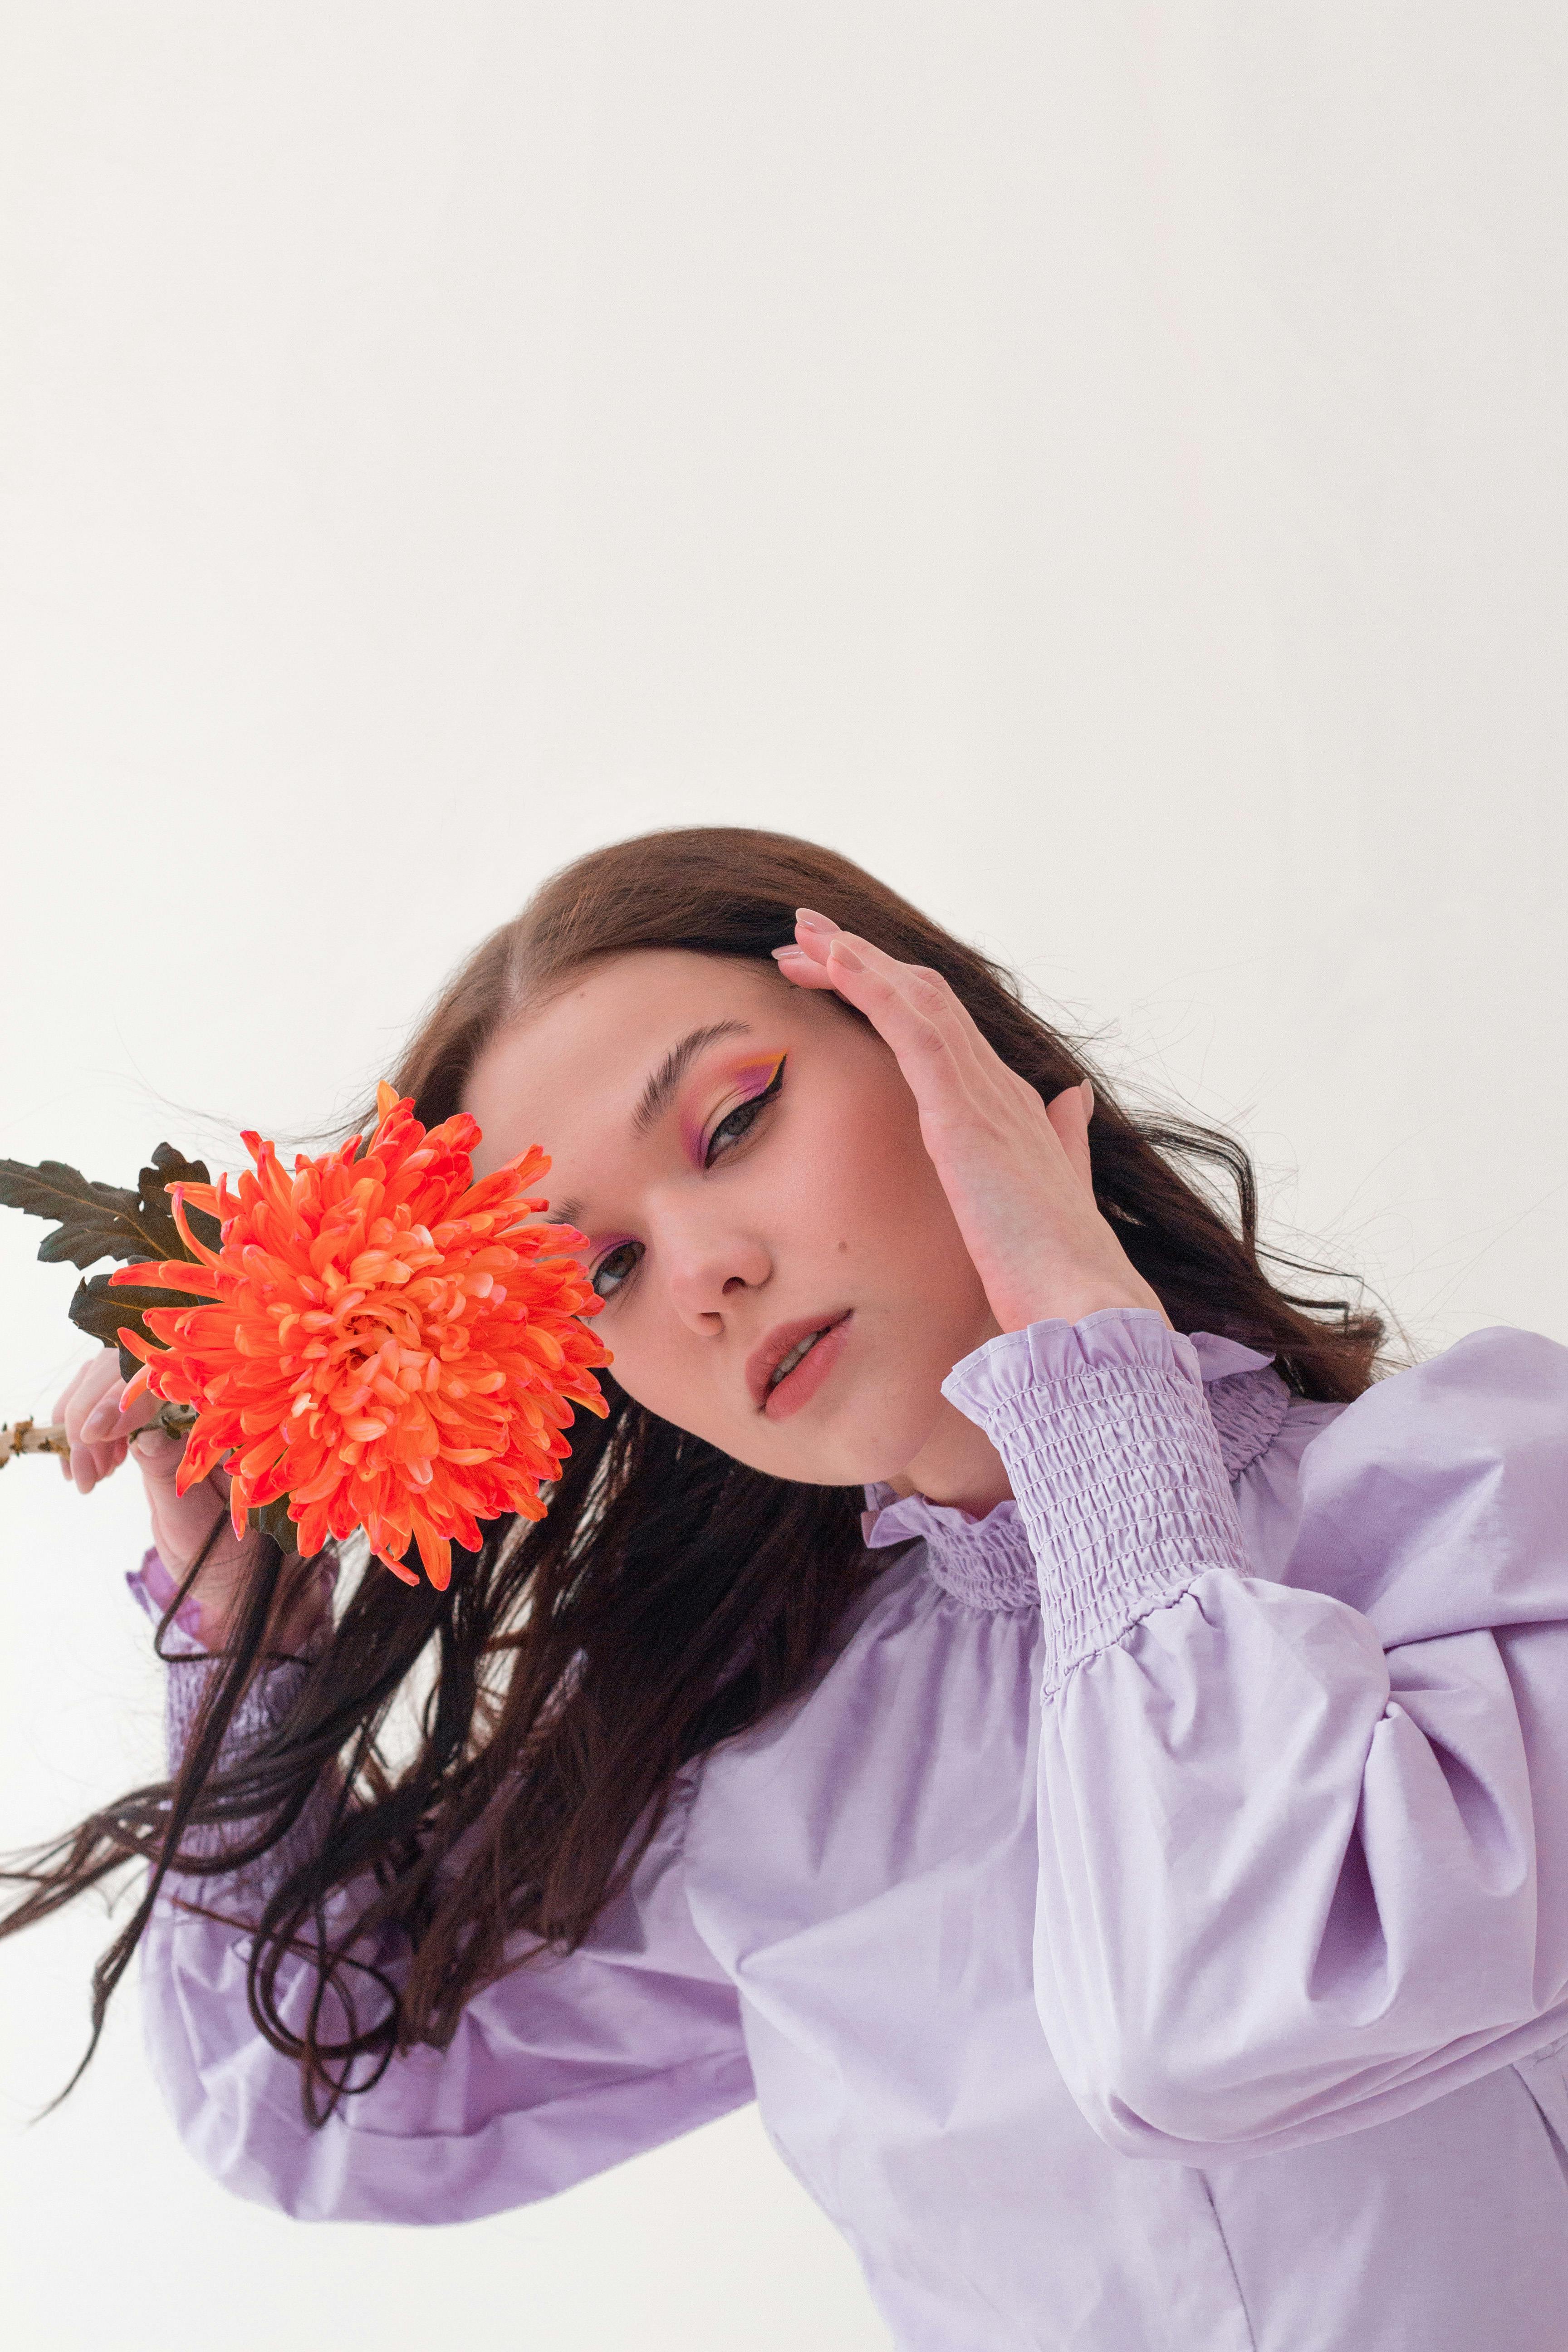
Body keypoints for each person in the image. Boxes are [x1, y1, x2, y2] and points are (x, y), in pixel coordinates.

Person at [13, 825, 1568, 2350]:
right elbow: (309, 2112)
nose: (702, 1273)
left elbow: (1229, 2016)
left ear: (935, 1047)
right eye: (603, 1275)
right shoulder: (773, 1779)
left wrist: (1090, 1365)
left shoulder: (1485, 1507)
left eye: (735, 1120)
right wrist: (246, 1629)